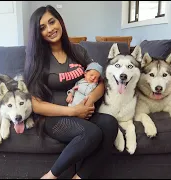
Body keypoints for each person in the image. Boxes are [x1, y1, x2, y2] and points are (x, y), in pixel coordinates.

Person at [23, 5, 118, 179]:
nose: (50, 29)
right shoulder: (37, 58)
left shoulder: (78, 51)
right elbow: (35, 104)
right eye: (42, 28)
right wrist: (73, 111)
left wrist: (89, 101)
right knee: (92, 133)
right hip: (53, 117)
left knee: (110, 123)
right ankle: (50, 176)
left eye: (52, 22)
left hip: (84, 110)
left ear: (60, 21)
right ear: (38, 34)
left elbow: (100, 82)